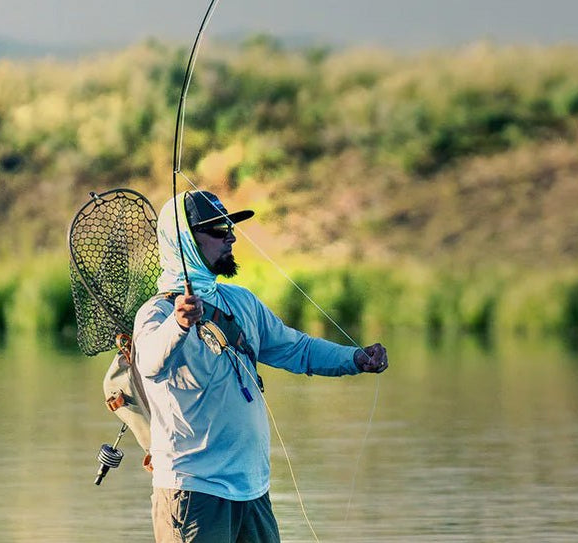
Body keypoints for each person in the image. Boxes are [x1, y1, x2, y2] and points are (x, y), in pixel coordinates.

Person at [132, 189, 388, 543]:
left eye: (230, 228)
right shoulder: (157, 313)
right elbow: (148, 363)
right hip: (192, 492)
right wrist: (179, 324)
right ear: (184, 241)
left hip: (252, 491)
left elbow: (297, 349)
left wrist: (355, 359)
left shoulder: (242, 302)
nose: (231, 237)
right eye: (218, 230)